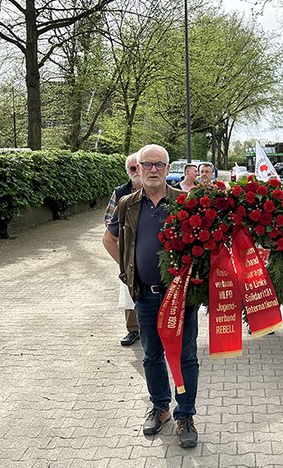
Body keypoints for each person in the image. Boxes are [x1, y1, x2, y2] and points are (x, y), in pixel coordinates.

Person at [102, 144, 199, 448]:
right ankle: (161, 407)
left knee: (186, 357)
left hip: (181, 297)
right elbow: (109, 238)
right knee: (151, 356)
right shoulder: (127, 204)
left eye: (159, 164)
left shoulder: (185, 202)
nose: (154, 169)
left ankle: (185, 414)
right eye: (148, 164)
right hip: (145, 295)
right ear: (138, 169)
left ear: (169, 169)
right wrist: (129, 269)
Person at [103, 152, 142, 347]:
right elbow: (108, 221)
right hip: (128, 250)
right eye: (132, 168)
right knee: (129, 289)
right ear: (128, 171)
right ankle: (133, 329)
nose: (136, 172)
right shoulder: (120, 192)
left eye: (138, 167)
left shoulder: (160, 188)